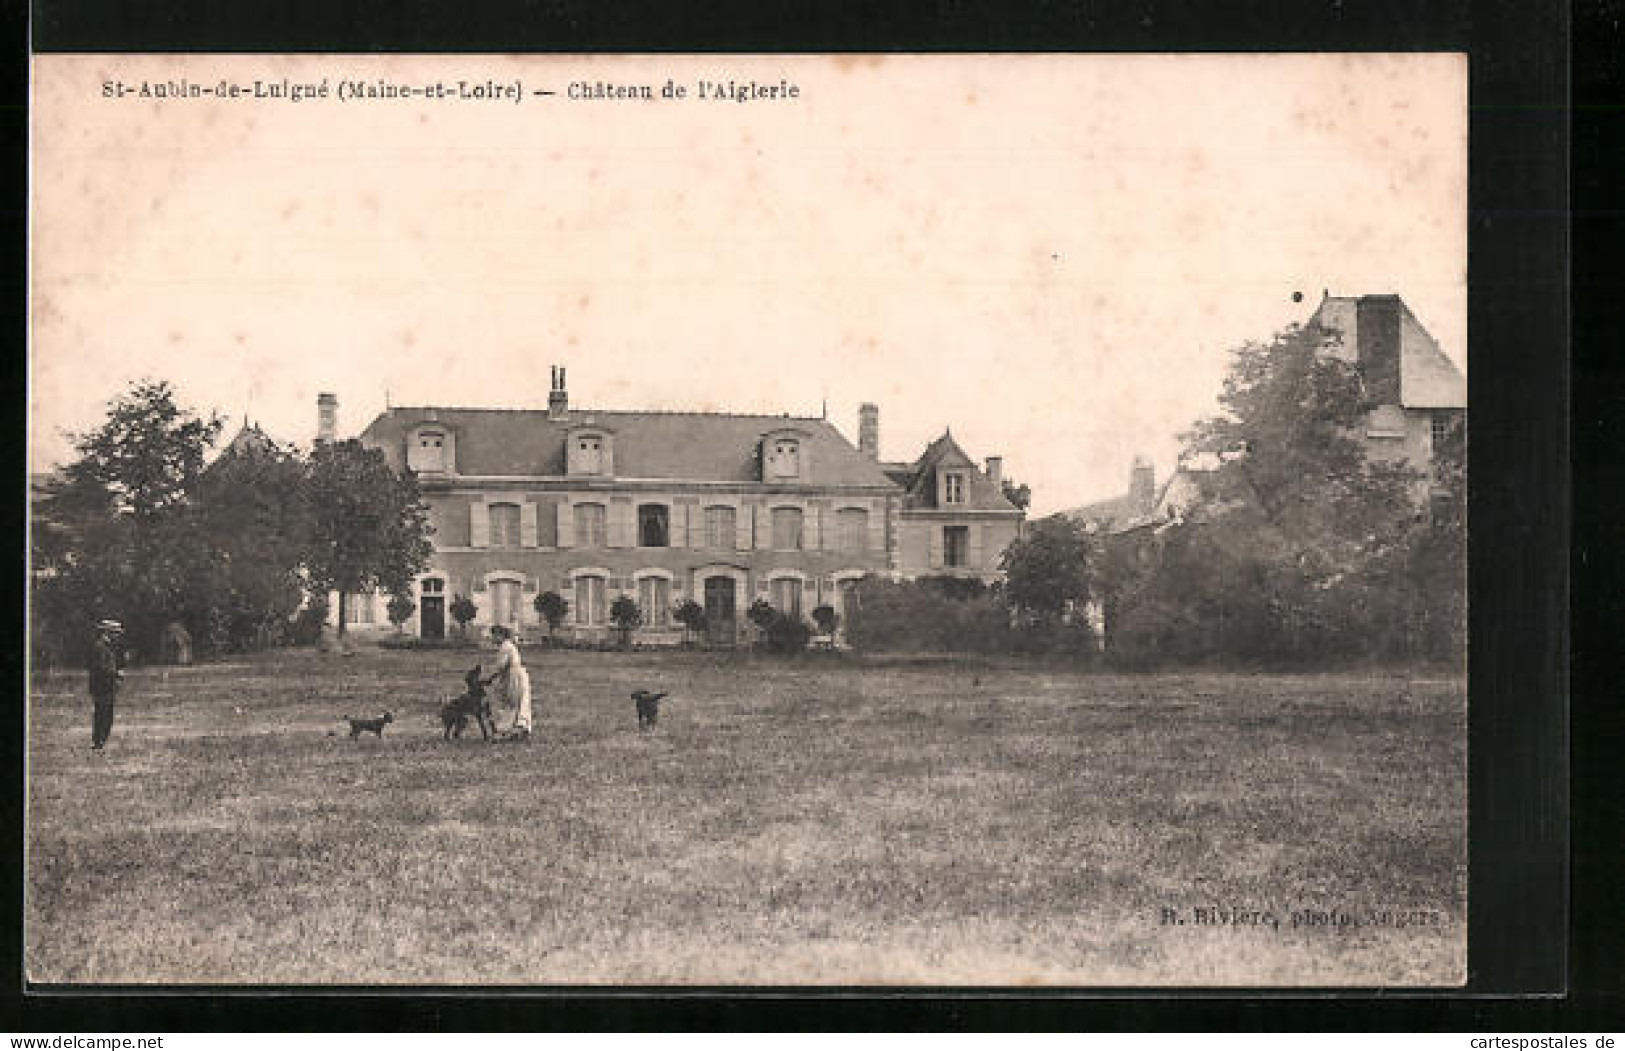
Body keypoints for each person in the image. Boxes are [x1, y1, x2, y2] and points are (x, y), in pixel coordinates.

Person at [484, 625, 532, 741]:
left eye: (494, 636)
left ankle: (504, 730)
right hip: (515, 675)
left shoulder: (506, 647)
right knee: (517, 702)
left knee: (509, 702)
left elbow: (500, 666)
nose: (492, 639)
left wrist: (489, 678)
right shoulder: (507, 646)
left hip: (513, 676)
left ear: (500, 636)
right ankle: (519, 729)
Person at [86, 619, 126, 751]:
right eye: (115, 633)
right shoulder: (100, 647)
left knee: (105, 714)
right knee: (103, 714)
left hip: (105, 685)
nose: (118, 636)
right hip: (102, 686)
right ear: (107, 633)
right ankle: (98, 741)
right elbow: (101, 667)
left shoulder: (106, 646)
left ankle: (100, 741)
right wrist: (116, 673)